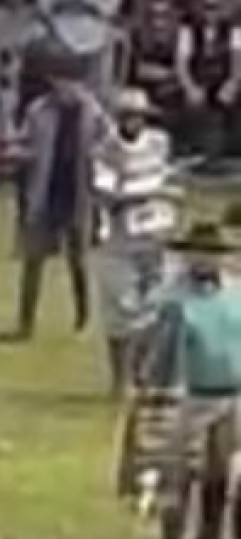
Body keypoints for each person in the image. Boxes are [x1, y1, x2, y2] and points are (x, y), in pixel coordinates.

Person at [141, 222, 241, 539]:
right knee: (180, 466)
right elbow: (160, 351)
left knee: (221, 465)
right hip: (189, 393)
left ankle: (210, 533)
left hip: (229, 391)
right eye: (200, 255)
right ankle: (172, 533)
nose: (207, 262)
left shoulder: (235, 294)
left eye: (214, 255)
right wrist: (157, 391)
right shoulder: (174, 301)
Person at [5, 63, 102, 342]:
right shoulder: (38, 111)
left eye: (70, 82)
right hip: (44, 193)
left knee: (78, 261)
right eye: (60, 82)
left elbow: (108, 144)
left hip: (79, 194)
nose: (66, 89)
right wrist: (17, 153)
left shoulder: (92, 113)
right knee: (33, 261)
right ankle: (25, 325)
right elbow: (25, 142)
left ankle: (83, 320)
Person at [92, 86, 177, 395]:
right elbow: (106, 196)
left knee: (158, 308)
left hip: (157, 234)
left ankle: (144, 374)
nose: (134, 122)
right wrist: (148, 193)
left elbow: (169, 177)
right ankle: (120, 379)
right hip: (119, 239)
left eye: (139, 116)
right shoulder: (105, 150)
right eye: (127, 116)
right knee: (120, 313)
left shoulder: (159, 143)